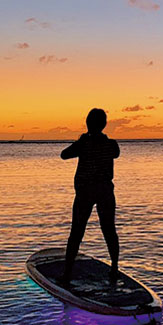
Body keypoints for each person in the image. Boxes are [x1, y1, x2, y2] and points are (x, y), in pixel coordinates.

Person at [60, 108, 120, 285]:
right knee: (109, 230)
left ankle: (67, 274)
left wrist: (81, 140)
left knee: (77, 232)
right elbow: (116, 154)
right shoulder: (111, 144)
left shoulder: (84, 143)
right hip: (105, 191)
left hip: (86, 192)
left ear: (88, 123)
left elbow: (64, 155)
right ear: (104, 125)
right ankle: (115, 268)